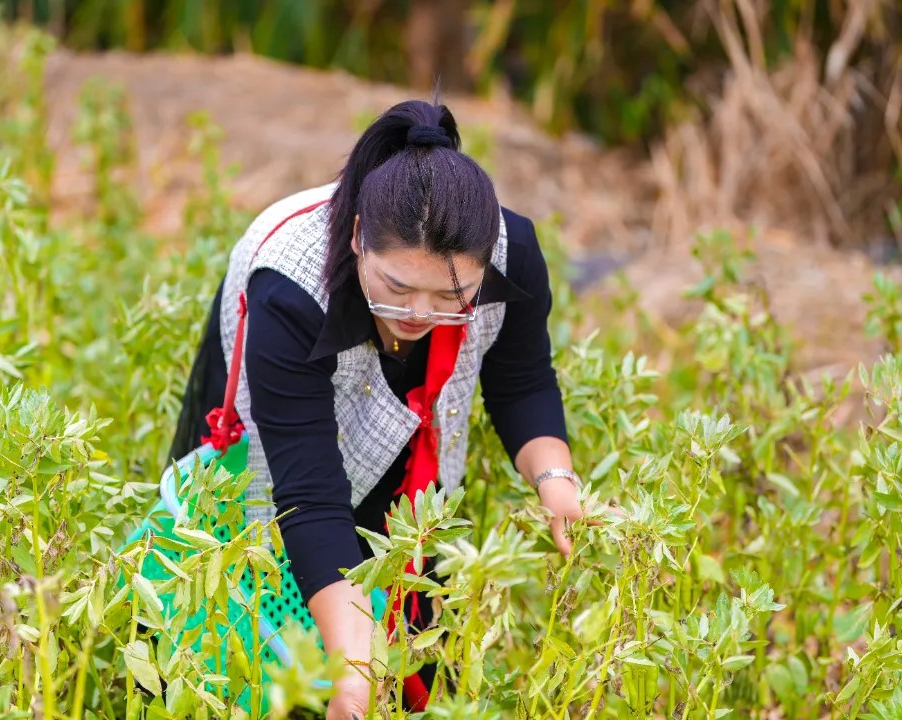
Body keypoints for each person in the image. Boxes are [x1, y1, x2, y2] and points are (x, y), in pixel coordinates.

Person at [170, 97, 589, 719]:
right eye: (396, 288)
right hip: (280, 467)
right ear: (361, 237)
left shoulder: (511, 249)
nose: (419, 314)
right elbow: (307, 498)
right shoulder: (290, 284)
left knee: (409, 652)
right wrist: (354, 675)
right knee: (252, 666)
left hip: (410, 466)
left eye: (452, 295)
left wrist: (556, 483)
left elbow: (523, 383)